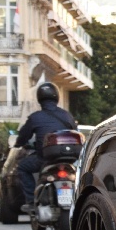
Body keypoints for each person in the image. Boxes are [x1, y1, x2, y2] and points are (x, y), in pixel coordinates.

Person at [14, 82, 77, 213]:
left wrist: (18, 144)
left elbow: (23, 136)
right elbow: (75, 132)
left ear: (39, 99)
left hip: (44, 159)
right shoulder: (67, 115)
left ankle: (31, 201)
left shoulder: (35, 117)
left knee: (22, 167)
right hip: (69, 159)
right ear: (57, 97)